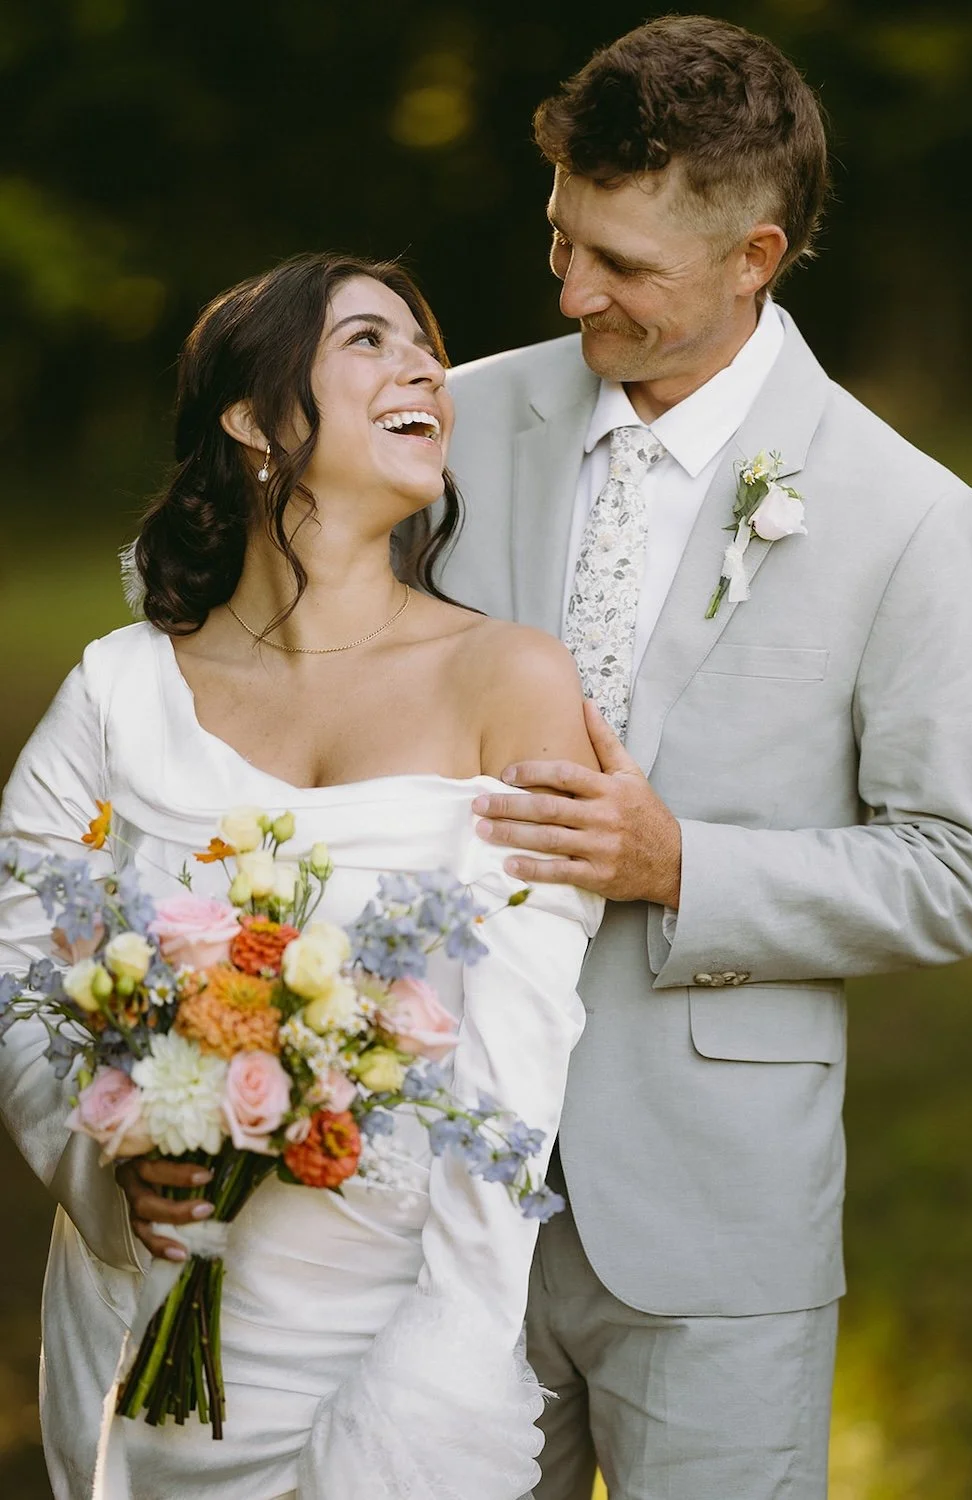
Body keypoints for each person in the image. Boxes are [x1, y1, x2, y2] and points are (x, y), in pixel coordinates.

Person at [436, 15, 972, 1500]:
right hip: (433, 1187)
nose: (570, 289)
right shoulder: (449, 422)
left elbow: (963, 868)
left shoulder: (909, 514)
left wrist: (679, 864)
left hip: (714, 1218)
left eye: (621, 266)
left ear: (755, 255)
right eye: (561, 234)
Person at [0, 252, 603, 1500]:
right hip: (143, 1299)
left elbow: (520, 1049)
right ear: (257, 418)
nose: (426, 366)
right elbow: (13, 958)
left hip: (378, 1317)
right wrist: (105, 1153)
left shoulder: (512, 683)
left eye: (428, 348)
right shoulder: (120, 689)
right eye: (372, 341)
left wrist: (447, 1358)